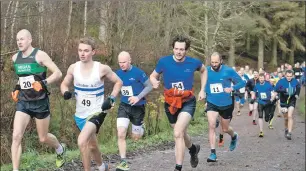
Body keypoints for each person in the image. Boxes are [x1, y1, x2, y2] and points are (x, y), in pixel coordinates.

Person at [60, 37, 123, 171]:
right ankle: (102, 167)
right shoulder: (73, 68)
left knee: (82, 141)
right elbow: (64, 84)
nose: (82, 53)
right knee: (92, 145)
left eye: (86, 51)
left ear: (93, 52)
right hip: (80, 114)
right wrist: (65, 92)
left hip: (97, 111)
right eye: (80, 50)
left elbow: (118, 82)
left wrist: (111, 99)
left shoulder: (102, 69)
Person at [10, 29, 65, 171]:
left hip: (40, 102)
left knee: (43, 138)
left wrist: (43, 83)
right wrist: (16, 88)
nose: (19, 42)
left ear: (30, 40)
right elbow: (22, 77)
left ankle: (59, 148)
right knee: (16, 136)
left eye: (22, 39)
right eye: (17, 40)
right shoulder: (15, 58)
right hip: (24, 102)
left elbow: (58, 73)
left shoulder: (40, 55)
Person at [150, 35, 207, 171]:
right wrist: (154, 81)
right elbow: (153, 75)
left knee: (177, 133)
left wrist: (203, 90)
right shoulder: (164, 62)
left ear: (186, 49)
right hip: (171, 103)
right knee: (181, 133)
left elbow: (204, 71)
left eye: (182, 49)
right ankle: (193, 149)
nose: (179, 52)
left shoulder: (193, 62)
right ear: (173, 48)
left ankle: (178, 167)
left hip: (187, 102)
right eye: (176, 49)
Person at [115, 51, 153, 171]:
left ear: (130, 60)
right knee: (121, 133)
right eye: (120, 62)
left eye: (124, 62)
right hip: (124, 106)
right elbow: (116, 88)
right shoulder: (117, 74)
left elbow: (149, 86)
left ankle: (141, 127)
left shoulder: (138, 73)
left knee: (135, 137)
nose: (122, 65)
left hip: (138, 107)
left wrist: (138, 97)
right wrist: (111, 100)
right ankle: (123, 161)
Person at [205, 52, 245, 162]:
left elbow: (242, 83)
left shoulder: (228, 71)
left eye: (216, 62)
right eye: (212, 62)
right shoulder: (206, 71)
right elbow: (205, 84)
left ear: (221, 61)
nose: (214, 64)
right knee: (212, 124)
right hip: (211, 102)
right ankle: (213, 153)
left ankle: (234, 136)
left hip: (226, 103)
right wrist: (204, 94)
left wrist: (232, 88)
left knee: (225, 128)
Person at [274, 70, 301, 140]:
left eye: (290, 76)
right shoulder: (281, 82)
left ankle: (289, 133)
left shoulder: (295, 81)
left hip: (292, 100)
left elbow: (298, 87)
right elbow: (276, 90)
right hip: (283, 101)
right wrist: (282, 91)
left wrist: (297, 94)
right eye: (288, 76)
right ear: (285, 75)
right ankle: (286, 128)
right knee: (286, 118)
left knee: (290, 116)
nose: (289, 78)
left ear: (292, 76)